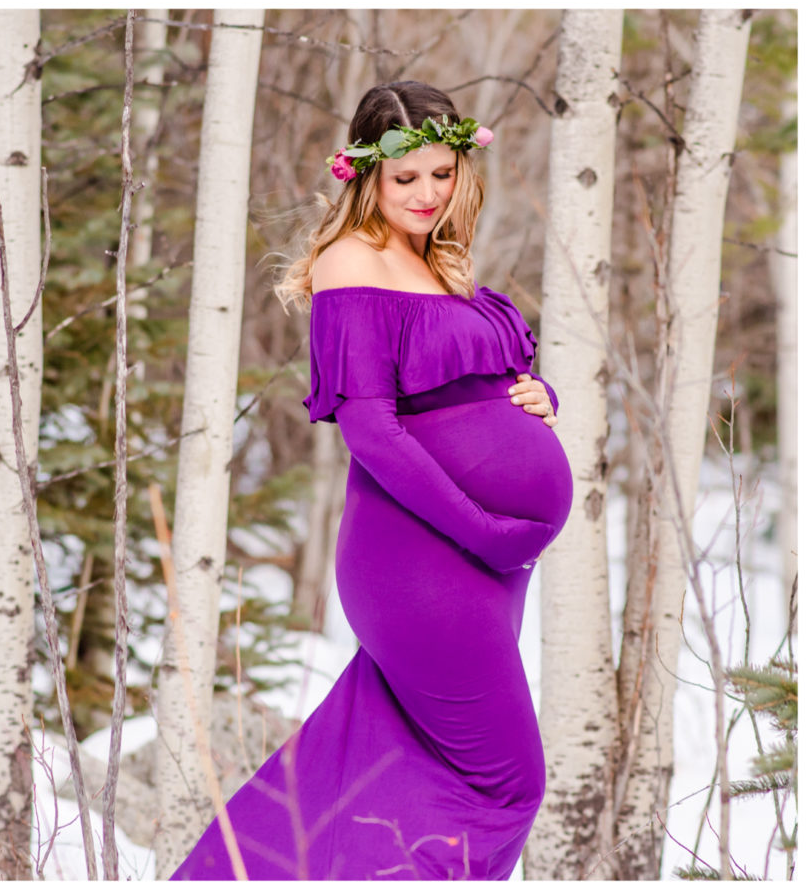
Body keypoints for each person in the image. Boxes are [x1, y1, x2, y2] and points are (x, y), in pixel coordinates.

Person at [174, 82, 572, 881]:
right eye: (406, 179)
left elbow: (474, 384)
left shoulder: (435, 260)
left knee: (387, 762)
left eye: (441, 174)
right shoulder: (351, 260)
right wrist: (486, 532)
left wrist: (536, 395)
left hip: (476, 565)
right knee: (504, 785)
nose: (428, 194)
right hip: (423, 561)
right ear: (364, 177)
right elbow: (369, 427)